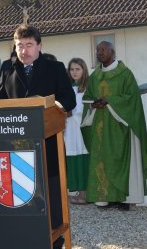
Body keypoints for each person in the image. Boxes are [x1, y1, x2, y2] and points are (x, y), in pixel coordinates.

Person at [0, 24, 76, 248]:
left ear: (39, 45)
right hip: (18, 147)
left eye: (29, 45)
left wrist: (52, 107)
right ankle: (25, 236)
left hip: (48, 143)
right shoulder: (7, 68)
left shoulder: (55, 67)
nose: (24, 50)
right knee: (23, 194)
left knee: (51, 195)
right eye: (20, 45)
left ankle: (55, 237)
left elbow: (69, 100)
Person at [81, 41, 147, 211]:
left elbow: (132, 99)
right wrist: (93, 105)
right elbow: (87, 98)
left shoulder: (125, 74)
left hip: (120, 126)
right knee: (101, 160)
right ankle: (104, 197)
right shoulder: (95, 76)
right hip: (99, 127)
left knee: (121, 160)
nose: (99, 53)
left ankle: (124, 199)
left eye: (103, 50)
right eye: (97, 50)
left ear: (113, 51)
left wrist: (110, 102)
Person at [66, 57, 90, 205]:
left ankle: (85, 194)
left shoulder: (87, 88)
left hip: (82, 128)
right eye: (72, 69)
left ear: (84, 70)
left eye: (77, 69)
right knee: (73, 159)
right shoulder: (67, 87)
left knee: (83, 159)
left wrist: (71, 111)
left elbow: (86, 108)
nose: (74, 72)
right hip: (69, 129)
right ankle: (77, 191)